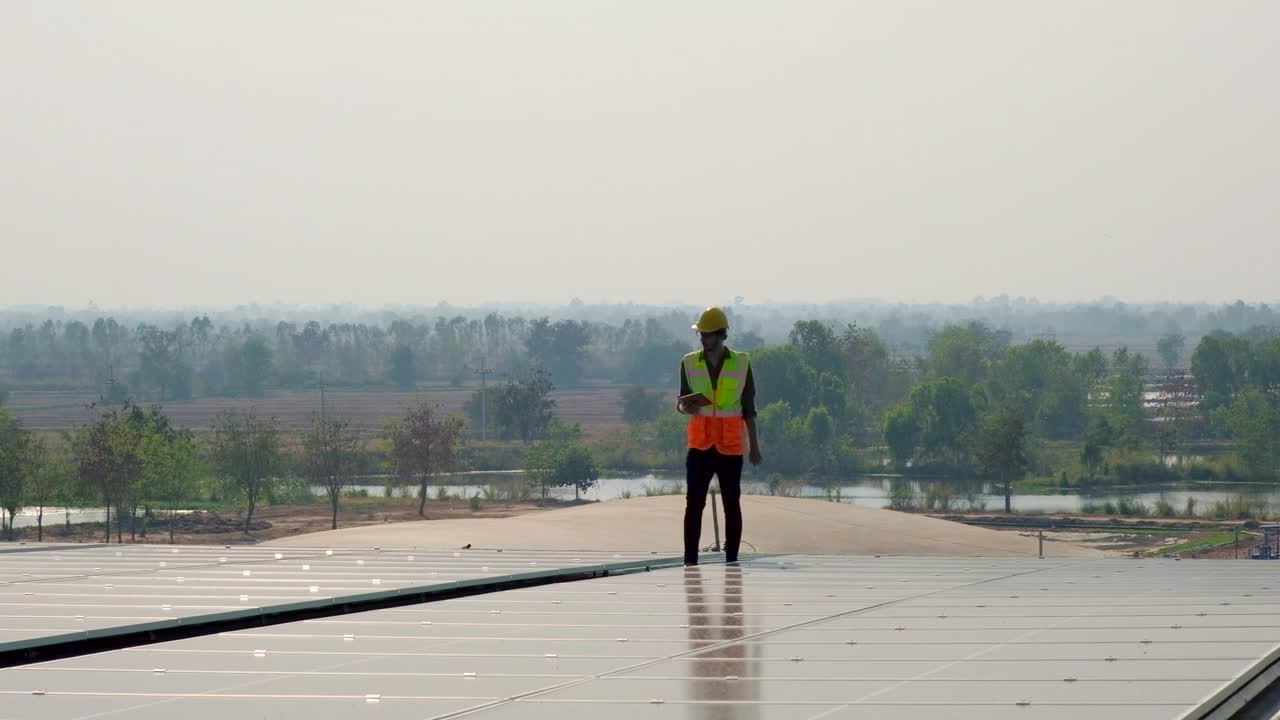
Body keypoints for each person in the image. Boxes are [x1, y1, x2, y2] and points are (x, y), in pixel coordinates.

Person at [677, 307, 763, 566]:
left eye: (707, 334)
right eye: (701, 334)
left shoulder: (741, 364)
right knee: (694, 506)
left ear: (721, 335)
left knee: (731, 506)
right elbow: (681, 402)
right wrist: (686, 406)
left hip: (730, 446)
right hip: (700, 445)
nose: (702, 338)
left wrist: (755, 447)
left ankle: (732, 560)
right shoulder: (689, 362)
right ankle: (689, 561)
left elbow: (749, 409)